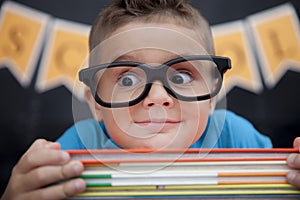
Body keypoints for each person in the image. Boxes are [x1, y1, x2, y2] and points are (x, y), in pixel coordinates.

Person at [1, 0, 300, 199]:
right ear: (95, 103)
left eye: (181, 76)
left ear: (212, 97)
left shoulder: (233, 136)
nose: (157, 98)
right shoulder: (79, 147)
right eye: (128, 80)